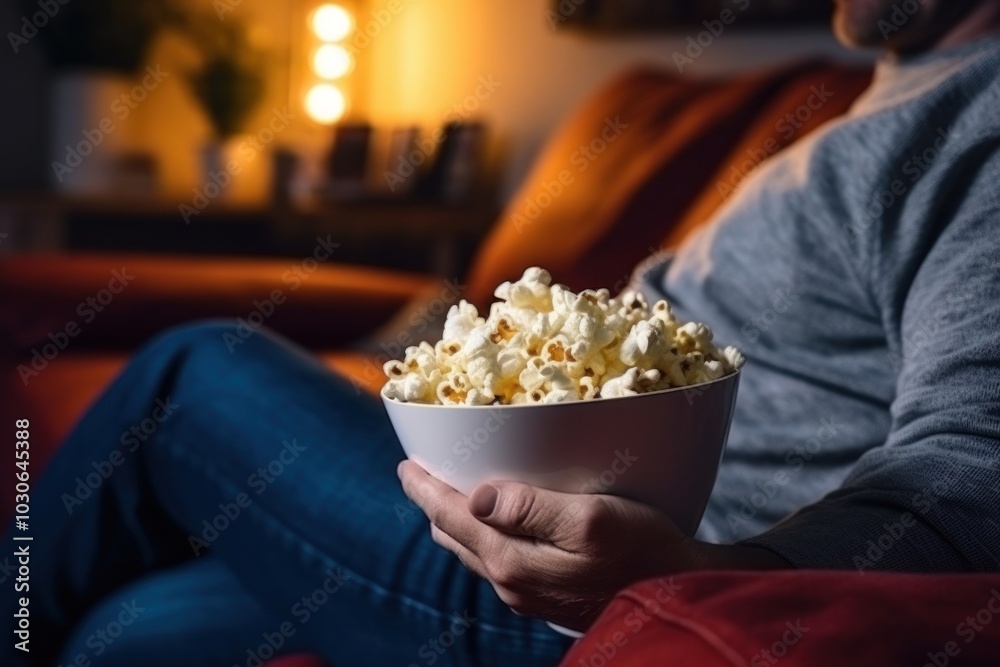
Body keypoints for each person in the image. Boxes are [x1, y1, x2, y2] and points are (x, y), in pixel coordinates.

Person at [6, 0, 1000, 664]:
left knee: (197, 368)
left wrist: (705, 580)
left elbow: (975, 458)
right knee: (128, 632)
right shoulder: (893, 93)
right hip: (509, 517)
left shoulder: (980, 112)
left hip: (591, 585)